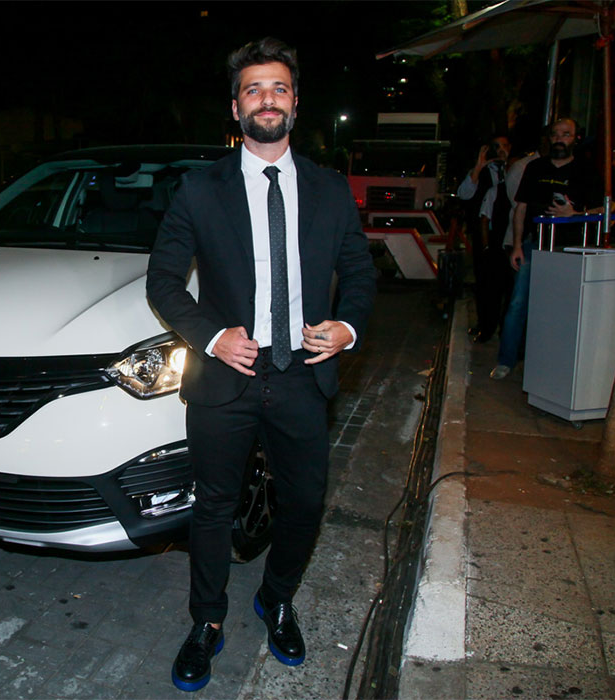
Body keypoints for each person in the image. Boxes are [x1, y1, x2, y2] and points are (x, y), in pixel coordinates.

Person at [146, 37, 375, 692]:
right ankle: (207, 623)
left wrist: (348, 326)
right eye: (253, 89)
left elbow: (359, 271)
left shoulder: (330, 190)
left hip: (303, 374)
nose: (266, 99)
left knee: (304, 500)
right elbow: (163, 282)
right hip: (226, 377)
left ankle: (276, 599)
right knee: (214, 504)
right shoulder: (199, 189)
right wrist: (212, 336)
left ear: (295, 104)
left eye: (278, 88)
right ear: (235, 106)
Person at [490, 118, 601, 379]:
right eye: (555, 134)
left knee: (563, 306)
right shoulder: (535, 167)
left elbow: (602, 209)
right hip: (535, 244)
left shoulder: (586, 170)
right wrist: (517, 245)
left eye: (566, 134)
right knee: (518, 302)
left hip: (570, 249)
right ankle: (506, 360)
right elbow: (521, 207)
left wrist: (575, 213)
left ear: (576, 138)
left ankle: (559, 365)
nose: (559, 139)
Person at [457, 135, 512, 342]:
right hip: (484, 237)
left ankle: (505, 329)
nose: (500, 150)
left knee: (507, 286)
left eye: (504, 146)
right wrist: (478, 168)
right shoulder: (482, 173)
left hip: (508, 236)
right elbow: (464, 194)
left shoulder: (513, 171)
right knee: (485, 284)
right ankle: (485, 326)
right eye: (496, 147)